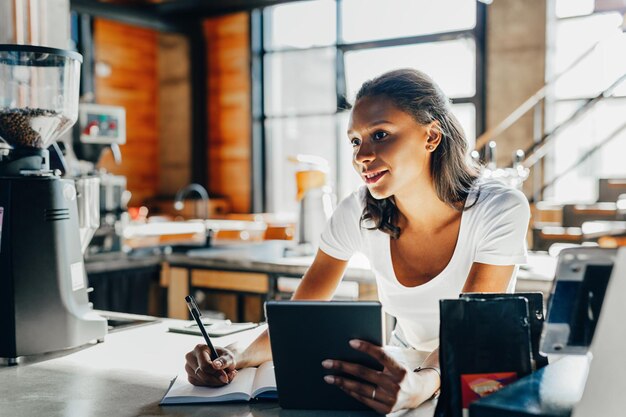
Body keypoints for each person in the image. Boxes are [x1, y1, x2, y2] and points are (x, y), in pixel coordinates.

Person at [184, 68, 530, 414]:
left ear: (431, 137)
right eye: (355, 140)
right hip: (406, 364)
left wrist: (423, 382)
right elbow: (301, 314)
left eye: (380, 134)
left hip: (481, 370)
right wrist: (234, 354)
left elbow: (471, 327)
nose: (361, 155)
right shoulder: (358, 211)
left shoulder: (500, 207)